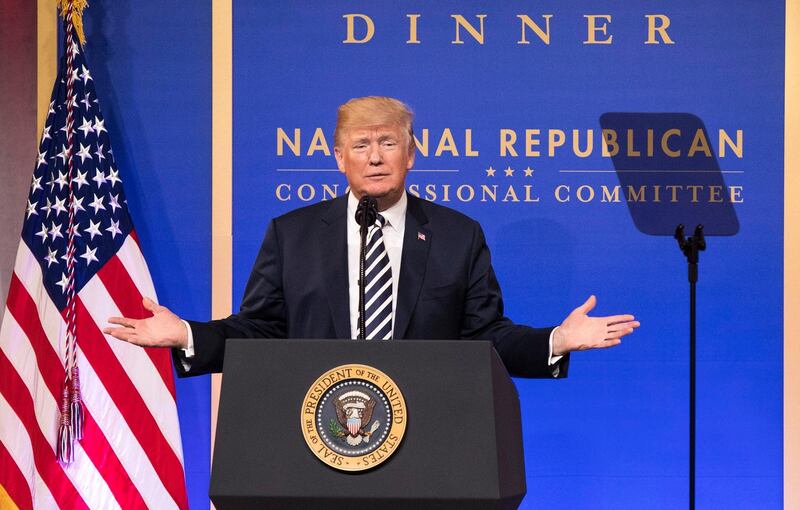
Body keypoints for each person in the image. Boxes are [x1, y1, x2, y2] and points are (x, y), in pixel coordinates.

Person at [104, 96, 639, 378]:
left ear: (411, 153)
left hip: (428, 435)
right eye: (360, 145)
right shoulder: (291, 235)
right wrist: (189, 336)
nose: (376, 157)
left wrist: (556, 340)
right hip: (317, 434)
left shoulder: (457, 235)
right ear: (338, 158)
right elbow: (262, 330)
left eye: (388, 142)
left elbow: (484, 338)